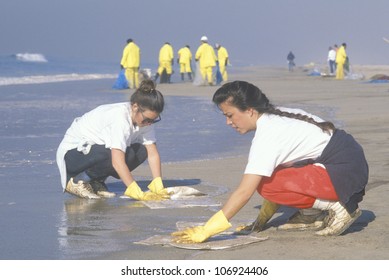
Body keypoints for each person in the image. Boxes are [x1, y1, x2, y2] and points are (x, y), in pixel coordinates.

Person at [172, 80, 368, 243]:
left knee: (266, 185)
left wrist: (208, 229)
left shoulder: (268, 136)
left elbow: (244, 192)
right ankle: (311, 214)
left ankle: (339, 208)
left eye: (230, 115)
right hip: (349, 166)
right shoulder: (275, 115)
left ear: (249, 110)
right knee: (272, 174)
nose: (228, 122)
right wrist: (262, 219)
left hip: (345, 173)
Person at [56, 80, 170, 200]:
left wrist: (158, 183)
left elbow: (152, 153)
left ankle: (95, 181)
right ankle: (78, 181)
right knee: (112, 154)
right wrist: (134, 189)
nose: (149, 123)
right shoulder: (120, 119)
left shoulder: (145, 121)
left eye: (154, 120)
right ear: (135, 107)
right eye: (147, 119)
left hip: (95, 152)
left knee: (141, 151)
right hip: (73, 156)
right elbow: (117, 161)